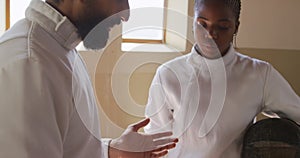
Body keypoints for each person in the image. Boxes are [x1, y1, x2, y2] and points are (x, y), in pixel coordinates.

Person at [0, 0, 178, 157]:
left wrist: (111, 151)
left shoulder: (60, 49)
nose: (126, 14)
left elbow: (68, 147)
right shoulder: (30, 63)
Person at [144, 0, 300, 157]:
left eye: (222, 26)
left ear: (235, 27)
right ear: (193, 22)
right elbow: (156, 141)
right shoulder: (168, 74)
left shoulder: (259, 74)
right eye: (202, 24)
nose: (211, 34)